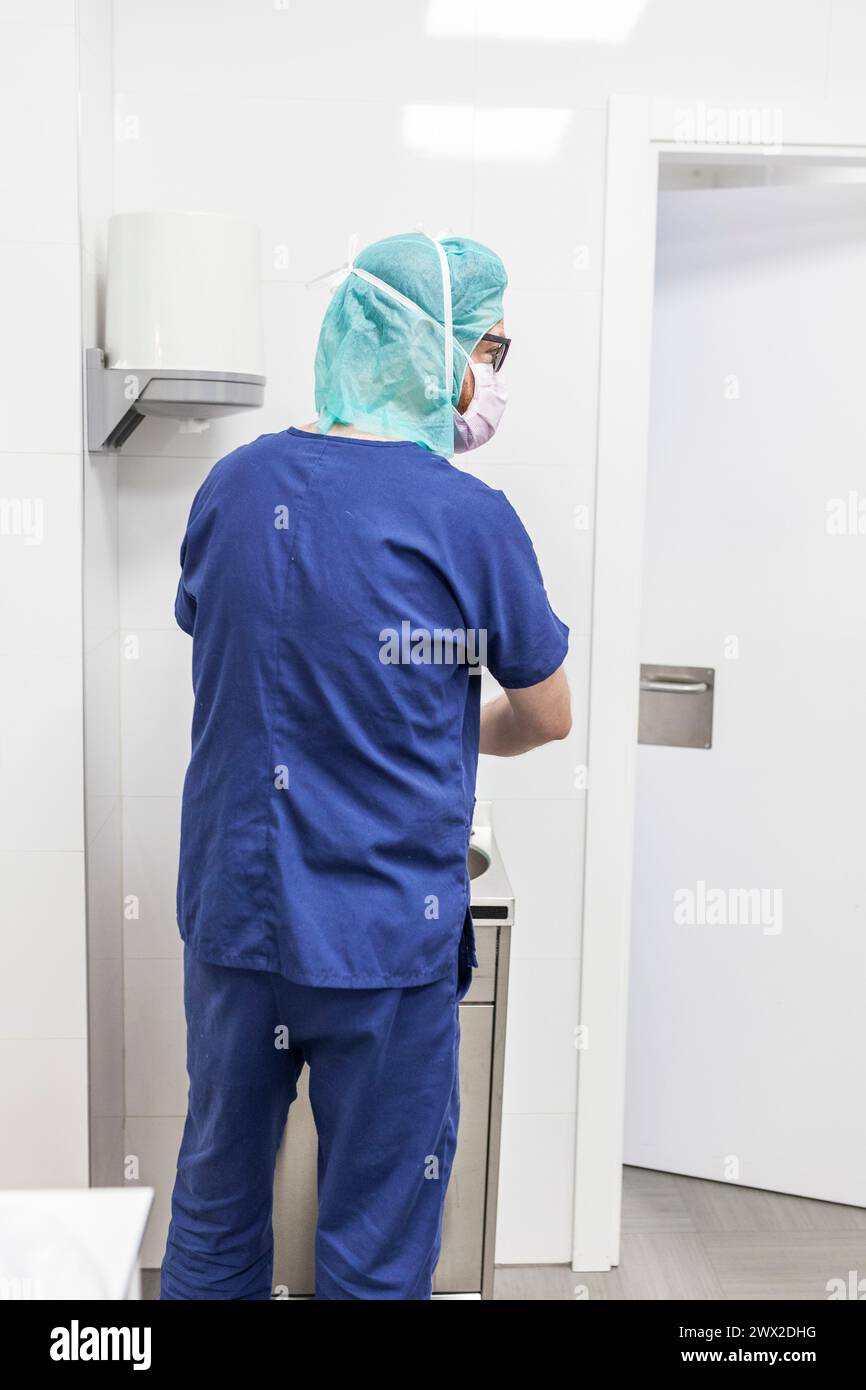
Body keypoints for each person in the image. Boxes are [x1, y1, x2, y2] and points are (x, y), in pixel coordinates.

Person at [160, 231, 571, 1301]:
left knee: (213, 1211)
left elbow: (249, 660)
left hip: (239, 928)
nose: (489, 379)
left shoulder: (234, 487)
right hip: (386, 943)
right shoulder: (468, 518)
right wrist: (447, 719)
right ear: (434, 347)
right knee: (376, 1240)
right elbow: (546, 714)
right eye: (488, 347)